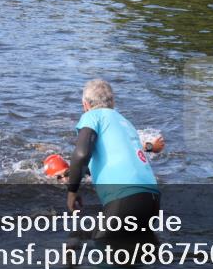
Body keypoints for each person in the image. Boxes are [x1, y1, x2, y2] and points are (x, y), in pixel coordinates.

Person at [65, 79, 160, 245]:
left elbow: (81, 154)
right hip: (152, 200)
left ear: (85, 105)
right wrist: (70, 172)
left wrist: (72, 192)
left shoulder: (91, 116)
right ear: (113, 102)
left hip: (125, 198)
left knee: (102, 254)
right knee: (134, 256)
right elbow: (112, 158)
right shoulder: (125, 123)